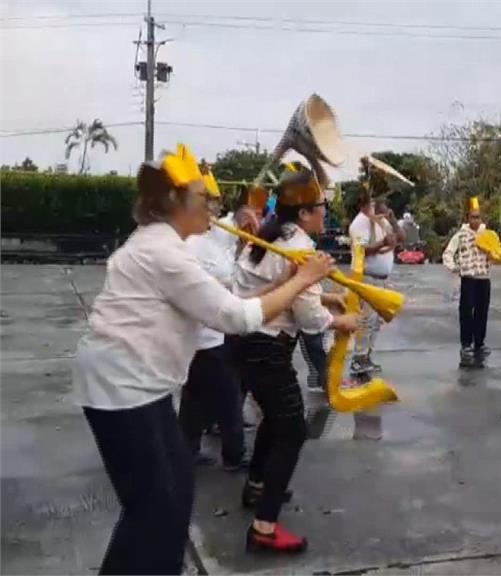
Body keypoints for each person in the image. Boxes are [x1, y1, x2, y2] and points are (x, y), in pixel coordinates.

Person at [72, 145, 337, 574]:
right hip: (120, 388)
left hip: (141, 385)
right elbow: (237, 317)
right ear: (175, 203)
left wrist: (289, 281)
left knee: (172, 497)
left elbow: (232, 301)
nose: (214, 206)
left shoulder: (172, 244)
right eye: (203, 197)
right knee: (154, 508)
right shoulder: (165, 253)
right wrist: (303, 279)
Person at [233, 166, 360, 554]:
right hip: (267, 347)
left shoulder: (273, 235)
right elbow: (308, 321)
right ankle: (264, 528)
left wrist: (325, 296)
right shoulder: (300, 247)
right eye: (321, 207)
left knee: (277, 419)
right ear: (304, 213)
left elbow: (285, 290)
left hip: (248, 342)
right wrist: (341, 320)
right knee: (293, 431)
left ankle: (257, 486)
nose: (326, 212)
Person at [177, 171, 257, 471]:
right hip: (202, 333)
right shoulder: (188, 243)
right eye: (209, 203)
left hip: (215, 332)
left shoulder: (214, 231)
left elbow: (237, 227)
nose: (215, 209)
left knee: (195, 396)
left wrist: (244, 217)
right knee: (228, 394)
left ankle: (185, 449)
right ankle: (234, 455)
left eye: (216, 203)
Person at [347, 194, 403, 376]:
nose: (380, 205)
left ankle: (367, 355)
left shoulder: (381, 222)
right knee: (366, 320)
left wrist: (393, 222)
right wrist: (382, 243)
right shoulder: (359, 224)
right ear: (366, 204)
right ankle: (358, 358)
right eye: (375, 202)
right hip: (367, 277)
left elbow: (401, 237)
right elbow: (362, 250)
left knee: (377, 321)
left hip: (382, 278)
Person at [442, 196, 492, 368]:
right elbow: (448, 253)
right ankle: (466, 344)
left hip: (484, 278)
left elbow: (497, 253)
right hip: (468, 278)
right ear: (467, 218)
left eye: (478, 217)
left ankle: (479, 343)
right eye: (473, 217)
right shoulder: (460, 235)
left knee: (482, 311)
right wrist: (455, 267)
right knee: (466, 312)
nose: (476, 220)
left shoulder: (488, 235)